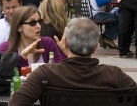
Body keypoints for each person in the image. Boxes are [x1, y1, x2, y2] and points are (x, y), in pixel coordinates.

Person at [9, 18, 137, 106]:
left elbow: (16, 103)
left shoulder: (46, 73)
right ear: (96, 45)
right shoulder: (115, 75)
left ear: (66, 42)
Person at [0, 5, 66, 67]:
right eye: (32, 23)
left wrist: (65, 52)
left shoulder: (48, 43)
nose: (39, 26)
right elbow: (8, 75)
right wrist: (23, 57)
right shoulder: (6, 48)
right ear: (19, 27)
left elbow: (60, 71)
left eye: (39, 21)